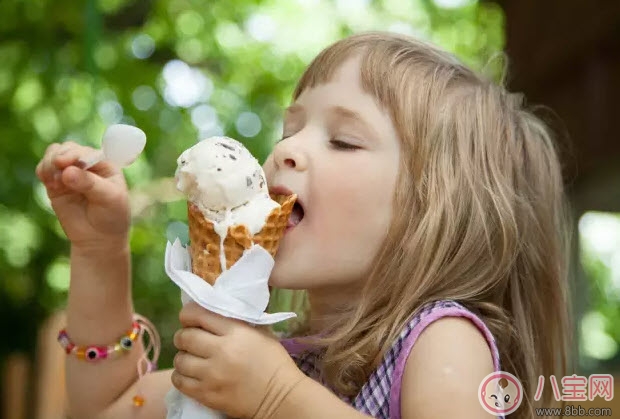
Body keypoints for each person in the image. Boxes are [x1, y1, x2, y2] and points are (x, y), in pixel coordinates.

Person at [35, 31, 571, 419]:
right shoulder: (274, 358)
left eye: (342, 140)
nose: (286, 149)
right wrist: (100, 248)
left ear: (438, 211)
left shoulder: (440, 340)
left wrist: (276, 399)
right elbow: (107, 408)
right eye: (290, 129)